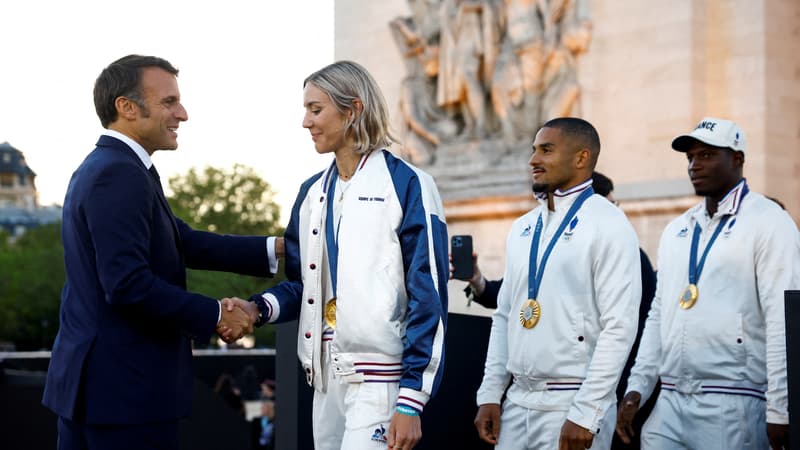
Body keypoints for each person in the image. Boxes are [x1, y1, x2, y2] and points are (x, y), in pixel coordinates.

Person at [41, 54, 282, 450]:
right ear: (127, 107)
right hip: (124, 397)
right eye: (169, 101)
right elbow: (127, 285)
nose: (182, 113)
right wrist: (216, 314)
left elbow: (177, 240)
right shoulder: (117, 174)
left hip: (104, 393)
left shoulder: (114, 167)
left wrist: (274, 248)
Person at [233, 60, 448, 450]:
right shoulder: (310, 193)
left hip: (379, 381)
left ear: (353, 110)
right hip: (324, 379)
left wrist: (412, 398)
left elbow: (428, 292)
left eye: (316, 109)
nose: (305, 122)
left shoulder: (408, 184)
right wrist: (256, 309)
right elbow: (301, 285)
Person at [616, 117, 800, 450]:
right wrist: (637, 388)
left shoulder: (770, 222)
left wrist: (780, 409)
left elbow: (782, 319)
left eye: (707, 155)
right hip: (669, 402)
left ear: (738, 159)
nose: (694, 165)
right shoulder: (678, 229)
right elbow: (660, 314)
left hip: (733, 402)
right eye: (690, 157)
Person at [474, 117, 642, 450]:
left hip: (572, 402)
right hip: (518, 401)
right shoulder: (523, 227)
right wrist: (491, 392)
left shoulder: (609, 223)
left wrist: (587, 411)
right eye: (533, 150)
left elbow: (619, 327)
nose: (533, 160)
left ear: (581, 158)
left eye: (546, 150)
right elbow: (506, 315)